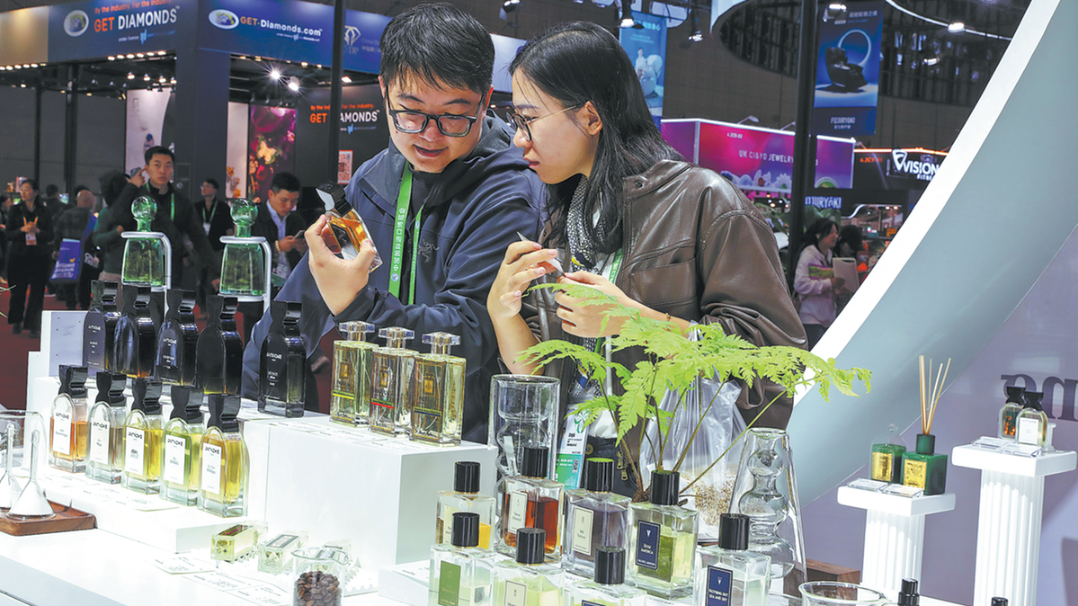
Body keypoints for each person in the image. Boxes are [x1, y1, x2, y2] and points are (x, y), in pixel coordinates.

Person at [486, 22, 805, 496]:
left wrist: (634, 322)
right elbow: (543, 378)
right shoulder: (565, 217)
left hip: (670, 479)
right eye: (515, 120)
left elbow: (774, 361)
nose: (518, 138)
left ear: (590, 117)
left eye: (528, 119)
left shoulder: (704, 200)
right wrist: (502, 312)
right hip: (571, 473)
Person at [241, 3, 544, 427]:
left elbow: (469, 336)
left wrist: (357, 305)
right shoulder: (371, 181)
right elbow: (301, 300)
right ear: (384, 90)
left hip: (462, 438)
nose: (430, 134)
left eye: (454, 115)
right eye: (411, 111)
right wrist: (245, 395)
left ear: (485, 100)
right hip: (371, 424)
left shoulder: (508, 193)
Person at [110, 146, 220, 289]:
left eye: (168, 166)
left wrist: (214, 273)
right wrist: (131, 187)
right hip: (140, 269)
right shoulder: (137, 197)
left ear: (172, 170)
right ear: (146, 168)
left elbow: (199, 238)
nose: (163, 171)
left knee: (170, 303)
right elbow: (116, 218)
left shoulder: (181, 201)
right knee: (140, 302)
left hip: (171, 270)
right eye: (157, 165)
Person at [239, 171, 308, 344]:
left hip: (288, 287)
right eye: (284, 200)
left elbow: (304, 259)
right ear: (271, 194)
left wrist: (303, 249)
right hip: (259, 288)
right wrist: (276, 247)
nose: (289, 206)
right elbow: (245, 254)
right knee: (255, 340)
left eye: (294, 201)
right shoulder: (253, 217)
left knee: (287, 340)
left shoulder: (297, 220)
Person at [6, 179, 55, 338]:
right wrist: (22, 229)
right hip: (18, 255)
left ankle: (33, 325)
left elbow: (50, 235)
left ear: (35, 192)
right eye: (22, 189)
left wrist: (38, 231)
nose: (23, 192)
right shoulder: (15, 210)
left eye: (27, 189)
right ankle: (16, 320)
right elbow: (8, 234)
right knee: (17, 290)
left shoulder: (44, 211)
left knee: (37, 291)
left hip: (39, 256)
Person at [794, 218, 843, 349]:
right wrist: (829, 283)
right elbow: (800, 284)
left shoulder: (831, 255)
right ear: (818, 234)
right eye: (830, 232)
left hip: (828, 317)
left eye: (836, 232)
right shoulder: (808, 255)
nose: (835, 236)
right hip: (810, 316)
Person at [52, 186, 96, 310]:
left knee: (69, 283)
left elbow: (57, 233)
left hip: (67, 252)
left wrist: (56, 249)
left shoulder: (65, 214)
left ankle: (70, 306)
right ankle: (84, 306)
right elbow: (94, 237)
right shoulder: (91, 218)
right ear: (89, 201)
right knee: (85, 282)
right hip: (85, 253)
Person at [196, 177, 234, 313]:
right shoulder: (197, 207)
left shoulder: (223, 207)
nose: (204, 188)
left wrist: (230, 248)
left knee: (215, 279)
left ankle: (214, 309)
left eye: (207, 186)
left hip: (217, 249)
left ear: (214, 189)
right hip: (200, 249)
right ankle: (202, 308)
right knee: (200, 279)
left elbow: (229, 229)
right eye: (203, 186)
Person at [93, 170, 132, 285]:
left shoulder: (136, 210)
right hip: (113, 272)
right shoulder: (107, 212)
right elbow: (97, 239)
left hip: (135, 273)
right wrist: (117, 232)